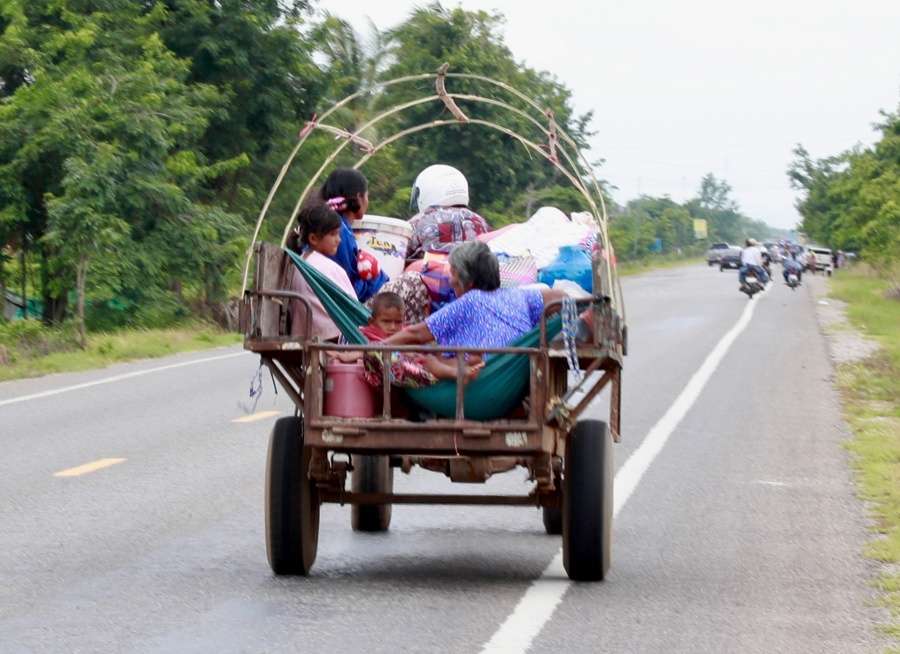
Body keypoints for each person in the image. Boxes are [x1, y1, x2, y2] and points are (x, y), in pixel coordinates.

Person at [384, 241, 565, 353]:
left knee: (420, 359)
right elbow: (559, 296)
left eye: (453, 272)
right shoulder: (518, 295)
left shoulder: (471, 301)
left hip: (478, 384)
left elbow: (416, 334)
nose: (450, 279)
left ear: (468, 281)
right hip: (513, 377)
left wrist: (376, 349)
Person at [287, 203, 358, 342]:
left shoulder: (301, 263)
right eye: (333, 234)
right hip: (333, 337)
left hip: (304, 334)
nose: (339, 240)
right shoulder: (329, 268)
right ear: (313, 239)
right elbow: (354, 308)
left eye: (338, 234)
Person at [319, 168, 388, 302]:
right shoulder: (339, 232)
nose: (367, 201)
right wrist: (375, 278)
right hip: (348, 305)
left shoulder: (336, 226)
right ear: (359, 197)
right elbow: (349, 288)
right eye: (367, 196)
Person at [406, 164, 489, 259]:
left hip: (429, 267)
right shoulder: (480, 222)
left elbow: (399, 254)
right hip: (471, 267)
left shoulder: (418, 222)